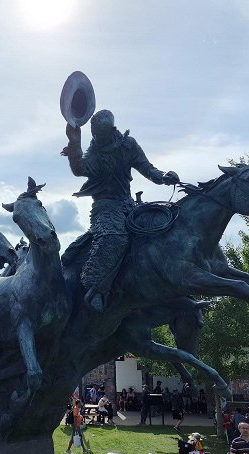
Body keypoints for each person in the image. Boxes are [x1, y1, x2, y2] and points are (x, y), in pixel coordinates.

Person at [61, 109, 180, 311]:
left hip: (128, 204)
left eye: (99, 133)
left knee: (161, 225)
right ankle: (95, 286)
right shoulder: (95, 153)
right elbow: (81, 169)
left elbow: (147, 167)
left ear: (111, 130)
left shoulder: (128, 145)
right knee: (113, 237)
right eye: (93, 132)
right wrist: (74, 144)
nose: (96, 136)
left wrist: (163, 176)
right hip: (105, 206)